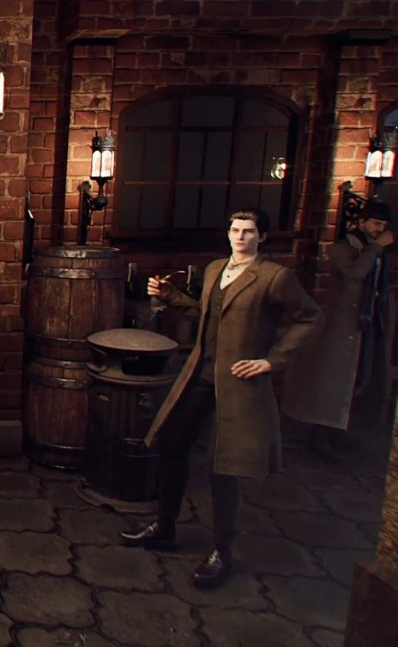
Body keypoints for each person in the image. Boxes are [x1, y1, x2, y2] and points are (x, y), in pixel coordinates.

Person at [120, 208, 323, 588]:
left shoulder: (274, 277)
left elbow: (310, 318)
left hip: (238, 382)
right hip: (200, 374)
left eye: (249, 231)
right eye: (235, 230)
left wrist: (272, 360)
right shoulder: (215, 269)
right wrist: (169, 295)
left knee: (224, 466)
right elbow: (207, 314)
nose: (240, 236)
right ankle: (165, 527)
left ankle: (221, 551)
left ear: (262, 237)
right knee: (171, 445)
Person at [283, 199, 395, 456]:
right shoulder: (343, 249)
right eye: (375, 223)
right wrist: (376, 247)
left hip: (365, 323)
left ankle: (338, 429)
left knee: (357, 379)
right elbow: (356, 273)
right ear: (361, 222)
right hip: (341, 326)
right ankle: (319, 433)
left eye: (383, 225)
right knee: (331, 381)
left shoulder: (372, 250)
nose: (379, 229)